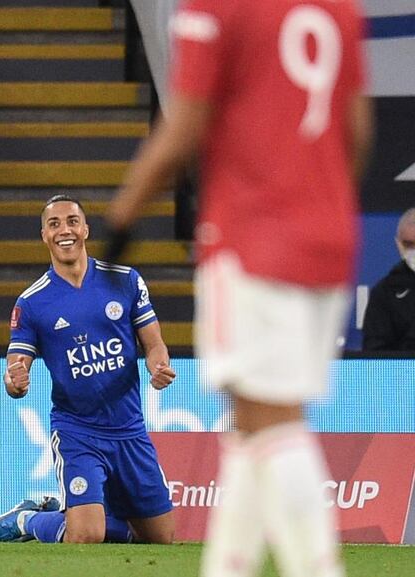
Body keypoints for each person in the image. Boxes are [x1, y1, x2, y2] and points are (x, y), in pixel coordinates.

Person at [105, 1, 373, 576]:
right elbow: (357, 131)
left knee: (273, 422)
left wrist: (122, 215)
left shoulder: (216, 6)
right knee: (253, 423)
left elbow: (185, 127)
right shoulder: (338, 8)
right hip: (327, 240)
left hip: (253, 241)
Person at [0, 195, 177, 544]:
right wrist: (15, 380)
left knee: (161, 540)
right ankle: (26, 520)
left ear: (85, 229)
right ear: (44, 236)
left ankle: (66, 510)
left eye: (71, 221)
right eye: (54, 224)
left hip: (129, 430)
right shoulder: (32, 302)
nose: (64, 230)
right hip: (77, 432)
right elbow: (14, 370)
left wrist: (158, 365)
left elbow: (154, 344)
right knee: (85, 536)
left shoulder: (125, 280)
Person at [362, 208, 415, 351]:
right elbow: (375, 355)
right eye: (409, 244)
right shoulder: (384, 293)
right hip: (403, 372)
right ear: (398, 244)